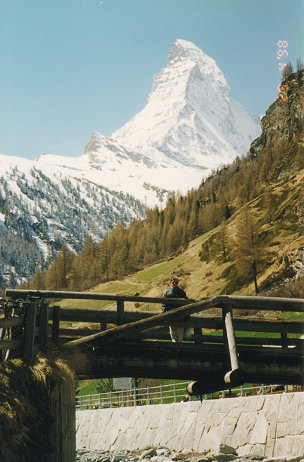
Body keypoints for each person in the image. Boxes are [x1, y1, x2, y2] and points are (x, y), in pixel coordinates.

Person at [161, 276, 189, 342]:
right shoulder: (166, 292)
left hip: (180, 315)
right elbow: (163, 304)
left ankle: (178, 347)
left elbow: (185, 303)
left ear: (178, 283)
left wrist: (186, 314)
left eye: (176, 282)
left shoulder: (182, 292)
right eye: (173, 282)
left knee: (180, 333)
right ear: (170, 283)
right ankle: (175, 347)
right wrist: (165, 312)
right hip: (171, 315)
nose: (174, 283)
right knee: (172, 332)